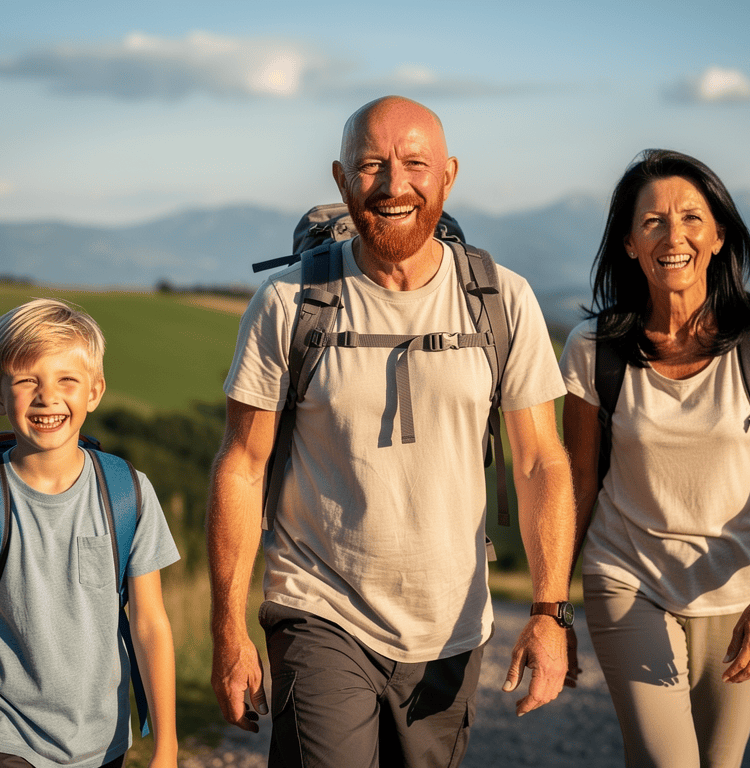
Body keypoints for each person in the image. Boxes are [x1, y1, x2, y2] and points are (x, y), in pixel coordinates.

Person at [207, 95, 577, 767]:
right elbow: (241, 466)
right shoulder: (287, 304)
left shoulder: (502, 299)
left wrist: (551, 613)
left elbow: (539, 464)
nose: (392, 184)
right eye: (371, 165)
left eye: (414, 163)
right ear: (343, 180)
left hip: (451, 625)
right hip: (317, 604)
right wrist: (227, 629)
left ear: (448, 175)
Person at [559, 149, 750, 768]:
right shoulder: (593, 350)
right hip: (629, 579)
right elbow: (578, 485)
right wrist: (552, 609)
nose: (673, 236)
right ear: (627, 243)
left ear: (719, 234)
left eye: (691, 219)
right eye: (652, 222)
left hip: (743, 587)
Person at [0, 298, 180, 768]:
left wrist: (167, 746)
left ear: (95, 392)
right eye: (26, 381)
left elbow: (149, 625)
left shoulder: (127, 493)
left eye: (67, 380)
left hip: (101, 741)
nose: (47, 396)